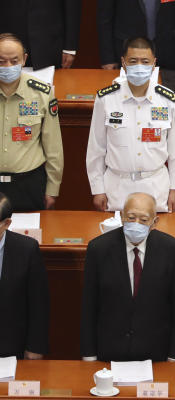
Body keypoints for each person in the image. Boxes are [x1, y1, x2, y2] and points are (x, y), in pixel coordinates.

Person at [80, 193, 175, 362]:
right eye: (131, 217)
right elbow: (89, 305)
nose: (136, 224)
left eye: (144, 220)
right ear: (122, 217)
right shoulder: (99, 249)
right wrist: (89, 354)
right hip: (109, 352)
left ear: (154, 222)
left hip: (156, 353)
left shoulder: (172, 250)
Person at [86, 37, 175, 214]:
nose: (139, 66)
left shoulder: (168, 100)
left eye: (145, 61)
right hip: (116, 188)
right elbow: (96, 148)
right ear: (123, 63)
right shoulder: (106, 99)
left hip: (156, 187)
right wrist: (97, 189)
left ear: (154, 64)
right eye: (133, 61)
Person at [0, 33, 62, 211]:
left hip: (27, 184)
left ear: (24, 59)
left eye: (14, 61)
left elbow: (53, 146)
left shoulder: (41, 93)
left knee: (26, 238)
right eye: (1, 61)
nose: (8, 66)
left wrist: (52, 188)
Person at [0, 191, 48, 359]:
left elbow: (38, 304)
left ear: (6, 223)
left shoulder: (26, 250)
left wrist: (35, 347)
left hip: (12, 348)